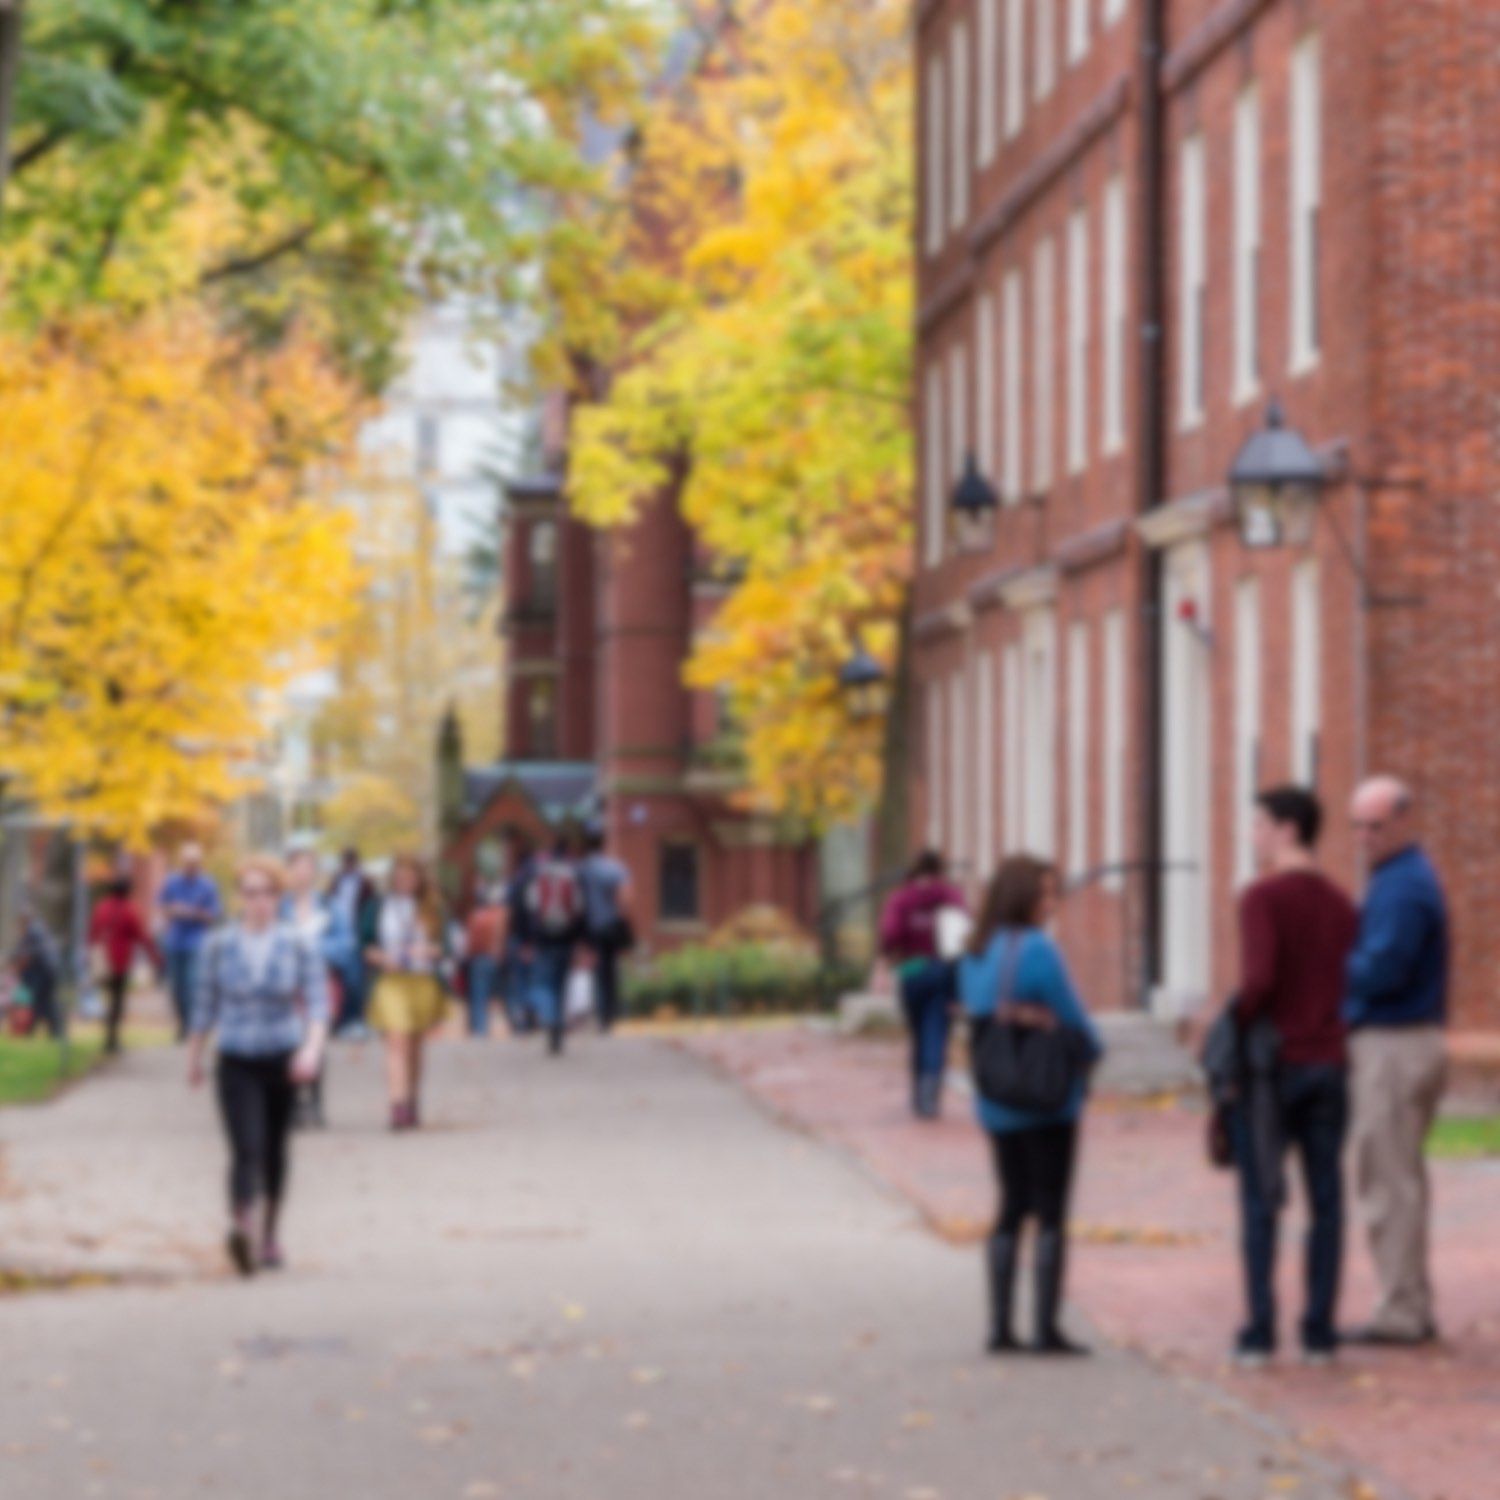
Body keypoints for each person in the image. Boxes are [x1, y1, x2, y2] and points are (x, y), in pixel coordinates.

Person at [1230, 787, 1359, 1367]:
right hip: (1330, 1062)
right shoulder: (1342, 904)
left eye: (1259, 825)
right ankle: (1319, 1333)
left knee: (1261, 1199)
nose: (1253, 836)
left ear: (1287, 830)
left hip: (1275, 1065)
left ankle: (1260, 1332)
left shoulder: (1262, 897)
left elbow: (1258, 980)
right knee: (1326, 1199)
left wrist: (1231, 1022)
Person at [959, 855, 1103, 1356]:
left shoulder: (975, 952)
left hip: (996, 1099)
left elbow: (977, 1014)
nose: (1051, 904)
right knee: (1050, 1209)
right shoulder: (1039, 950)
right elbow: (1076, 1022)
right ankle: (1046, 1328)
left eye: (1054, 893)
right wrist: (1088, 1049)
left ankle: (999, 1326)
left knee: (1009, 1205)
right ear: (1020, 896)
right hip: (1047, 1102)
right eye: (1044, 894)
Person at [1343, 775, 1450, 1346]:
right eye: (1356, 825)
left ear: (1404, 822)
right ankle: (1408, 1301)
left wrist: (1330, 970)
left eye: (1376, 825)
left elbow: (1382, 970)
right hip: (1401, 1040)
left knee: (1389, 1180)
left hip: (1396, 1043)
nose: (1364, 836)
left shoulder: (1404, 888)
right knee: (1396, 1175)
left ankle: (1403, 1311)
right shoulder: (1394, 880)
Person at [186, 856, 331, 1276]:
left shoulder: (298, 943)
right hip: (235, 1057)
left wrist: (311, 1049)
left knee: (274, 1150)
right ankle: (242, 1226)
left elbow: (319, 1005)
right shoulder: (218, 945)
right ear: (239, 897)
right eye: (251, 892)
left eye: (268, 893)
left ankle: (269, 1233)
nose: (260, 901)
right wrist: (194, 1057)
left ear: (279, 897)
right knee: (244, 1146)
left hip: (282, 1056)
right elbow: (203, 1006)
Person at [879, 851, 967, 1119]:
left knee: (918, 1033)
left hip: (912, 970)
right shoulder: (951, 895)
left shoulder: (901, 897)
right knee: (936, 1032)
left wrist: (889, 956)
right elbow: (964, 934)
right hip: (943, 971)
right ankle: (929, 1095)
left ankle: (919, 1093)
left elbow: (890, 933)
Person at [364, 854, 447, 1130]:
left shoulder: (431, 907)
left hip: (422, 979)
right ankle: (397, 1104)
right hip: (391, 980)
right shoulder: (378, 906)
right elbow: (364, 944)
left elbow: (445, 946)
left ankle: (412, 1099)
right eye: (400, 876)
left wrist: (426, 951)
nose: (405, 881)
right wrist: (382, 958)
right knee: (396, 1039)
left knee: (414, 1044)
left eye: (411, 876)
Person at [282, 848, 355, 1127]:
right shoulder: (278, 906)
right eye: (296, 866)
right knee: (289, 1041)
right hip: (287, 983)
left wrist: (315, 950)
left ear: (314, 871)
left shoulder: (329, 906)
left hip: (321, 980)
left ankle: (314, 1102)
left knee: (315, 1040)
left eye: (307, 866)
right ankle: (291, 1103)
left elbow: (346, 944)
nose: (301, 872)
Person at [525, 833, 584, 1056]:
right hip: (566, 937)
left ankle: (550, 1018)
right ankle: (558, 1023)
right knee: (561, 985)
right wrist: (579, 940)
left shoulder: (539, 874)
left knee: (543, 982)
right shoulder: (573, 874)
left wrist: (528, 939)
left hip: (543, 937)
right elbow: (579, 909)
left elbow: (530, 907)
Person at [88, 878, 161, 1055]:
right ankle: (112, 1039)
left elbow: (92, 932)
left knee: (109, 998)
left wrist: (90, 953)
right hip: (120, 961)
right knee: (117, 1001)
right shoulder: (129, 910)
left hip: (103, 960)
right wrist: (154, 956)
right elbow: (141, 935)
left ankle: (109, 1037)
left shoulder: (101, 907)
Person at [158, 842, 222, 1042]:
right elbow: (162, 907)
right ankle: (183, 1024)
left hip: (197, 942)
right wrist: (173, 911)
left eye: (194, 863)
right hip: (175, 941)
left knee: (192, 984)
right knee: (176, 986)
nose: (190, 866)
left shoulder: (208, 885)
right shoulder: (171, 882)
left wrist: (190, 912)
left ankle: (195, 1027)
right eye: (187, 863)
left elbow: (212, 915)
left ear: (199, 864)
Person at [578, 825, 633, 1033]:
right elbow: (625, 896)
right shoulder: (614, 868)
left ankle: (601, 1013)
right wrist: (624, 920)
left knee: (596, 971)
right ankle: (610, 1014)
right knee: (611, 970)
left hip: (590, 927)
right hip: (611, 925)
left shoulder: (582, 869)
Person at [326, 848, 378, 1038]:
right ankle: (342, 1022)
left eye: (351, 861)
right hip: (339, 938)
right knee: (342, 982)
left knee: (357, 981)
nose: (348, 865)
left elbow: (372, 908)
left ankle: (357, 1020)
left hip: (358, 937)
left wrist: (368, 936)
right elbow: (329, 906)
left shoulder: (366, 883)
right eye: (345, 861)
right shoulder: (336, 882)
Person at [503, 833, 542, 1033]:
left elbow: (517, 911)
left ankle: (523, 1021)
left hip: (523, 939)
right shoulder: (540, 876)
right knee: (536, 979)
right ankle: (534, 1017)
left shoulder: (520, 880)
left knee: (520, 981)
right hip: (541, 939)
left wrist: (525, 940)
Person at [12, 903, 64, 1040]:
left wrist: (17, 970)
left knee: (37, 1001)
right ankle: (54, 1031)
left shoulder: (32, 931)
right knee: (45, 1001)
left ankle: (32, 1029)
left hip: (43, 971)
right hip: (50, 970)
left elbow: (26, 957)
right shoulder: (38, 929)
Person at [463, 886, 508, 1038]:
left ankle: (480, 1028)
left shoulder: (477, 917)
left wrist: (468, 954)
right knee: (495, 994)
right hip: (497, 958)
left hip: (480, 958)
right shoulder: (501, 915)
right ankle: (488, 1026)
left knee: (479, 994)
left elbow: (472, 941)